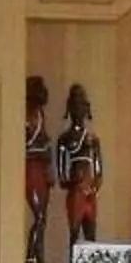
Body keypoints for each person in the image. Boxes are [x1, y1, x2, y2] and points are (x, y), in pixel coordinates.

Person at [52, 84, 104, 249]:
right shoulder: (65, 138)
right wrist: (71, 183)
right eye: (74, 106)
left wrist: (95, 184)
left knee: (90, 231)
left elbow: (98, 166)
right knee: (74, 230)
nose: (78, 111)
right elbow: (61, 170)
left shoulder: (92, 139)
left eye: (81, 106)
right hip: (76, 188)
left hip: (90, 188)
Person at [24, 75, 54, 263]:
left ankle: (38, 260)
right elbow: (27, 145)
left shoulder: (39, 114)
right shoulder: (26, 114)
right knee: (39, 216)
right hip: (32, 167)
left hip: (41, 168)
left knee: (43, 217)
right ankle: (31, 260)